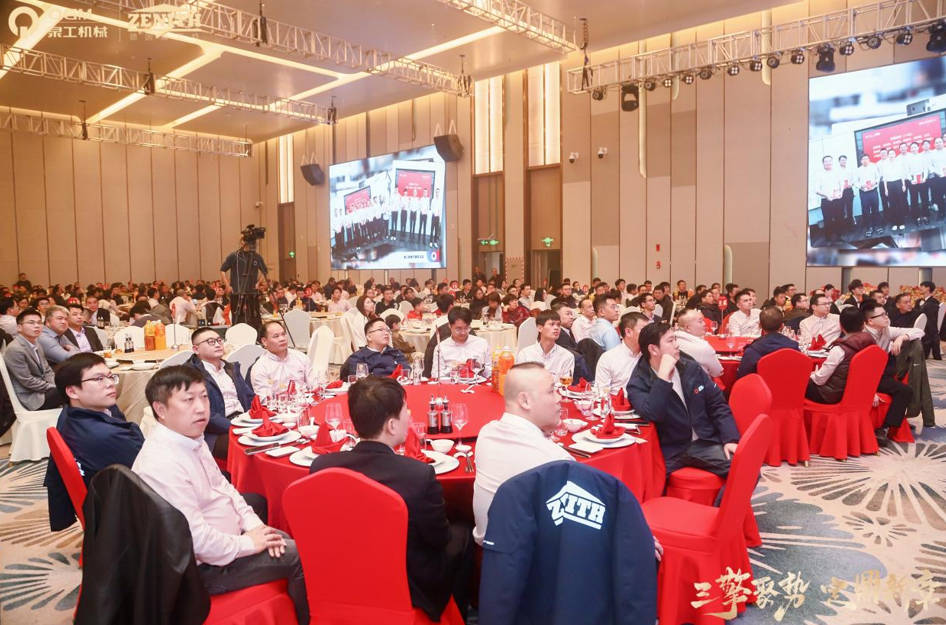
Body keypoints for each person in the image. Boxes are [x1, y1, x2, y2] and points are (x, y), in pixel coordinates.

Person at [133, 366, 308, 624]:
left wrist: (255, 527)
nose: (201, 408)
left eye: (203, 397)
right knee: (298, 555)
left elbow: (224, 489)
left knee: (274, 533)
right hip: (201, 569)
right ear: (160, 409)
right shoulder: (163, 463)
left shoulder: (188, 436)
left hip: (221, 539)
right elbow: (197, 542)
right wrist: (249, 544)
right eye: (188, 400)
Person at [309, 376, 472, 621]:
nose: (410, 416)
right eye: (406, 410)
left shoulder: (321, 467)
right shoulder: (418, 476)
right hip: (406, 586)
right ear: (392, 426)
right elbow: (439, 539)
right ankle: (454, 615)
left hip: (341, 574)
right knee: (462, 532)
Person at [472, 363, 573, 545]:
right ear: (525, 401)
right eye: (551, 391)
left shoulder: (486, 433)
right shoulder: (558, 461)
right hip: (530, 556)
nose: (559, 398)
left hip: (489, 549)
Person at [44, 353, 144, 531]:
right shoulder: (103, 436)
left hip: (106, 495)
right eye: (98, 379)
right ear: (72, 391)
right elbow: (147, 470)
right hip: (125, 513)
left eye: (110, 376)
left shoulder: (69, 413)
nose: (110, 383)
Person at [628, 322, 740, 478]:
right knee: (647, 484)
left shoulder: (690, 367)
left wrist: (731, 439)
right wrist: (663, 379)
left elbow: (717, 405)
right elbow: (653, 414)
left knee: (746, 465)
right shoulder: (638, 382)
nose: (676, 345)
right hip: (670, 449)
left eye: (675, 339)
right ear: (653, 349)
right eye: (670, 341)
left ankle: (719, 497)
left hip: (703, 441)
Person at [186, 327, 255, 459]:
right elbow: (203, 414)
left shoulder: (230, 368)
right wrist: (235, 426)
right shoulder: (190, 374)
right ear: (196, 349)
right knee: (251, 448)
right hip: (214, 433)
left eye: (219, 340)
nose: (218, 345)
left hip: (243, 421)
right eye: (211, 342)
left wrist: (257, 418)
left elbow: (249, 397)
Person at [861, 300, 917, 435]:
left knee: (905, 391)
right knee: (904, 390)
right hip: (864, 377)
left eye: (885, 313)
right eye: (882, 315)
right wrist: (869, 391)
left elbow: (919, 331)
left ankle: (885, 427)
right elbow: (857, 369)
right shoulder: (861, 336)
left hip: (881, 373)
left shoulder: (886, 330)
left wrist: (901, 337)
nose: (886, 317)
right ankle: (883, 428)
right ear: (870, 321)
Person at [806, 307, 876, 404]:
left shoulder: (840, 349)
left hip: (831, 395)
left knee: (794, 381)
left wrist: (811, 375)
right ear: (864, 324)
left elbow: (820, 380)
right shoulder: (872, 345)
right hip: (856, 392)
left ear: (840, 325)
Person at [3, 309, 62, 410]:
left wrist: (55, 384)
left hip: (42, 389)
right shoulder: (15, 349)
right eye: (31, 323)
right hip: (30, 396)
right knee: (68, 390)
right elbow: (27, 381)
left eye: (39, 323)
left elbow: (47, 370)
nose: (37, 326)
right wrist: (53, 387)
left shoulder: (36, 343)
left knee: (69, 385)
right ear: (19, 327)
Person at [250, 321, 316, 397]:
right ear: (264, 341)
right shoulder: (260, 368)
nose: (282, 339)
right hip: (279, 403)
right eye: (276, 336)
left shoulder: (300, 357)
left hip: (306, 401)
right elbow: (265, 400)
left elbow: (314, 385)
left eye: (283, 334)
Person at [735, 306, 800, 379]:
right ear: (782, 326)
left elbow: (743, 377)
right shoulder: (793, 347)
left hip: (761, 385)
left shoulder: (753, 350)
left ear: (760, 325)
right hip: (789, 385)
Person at [221, 235, 269, 330]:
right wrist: (227, 285)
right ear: (242, 242)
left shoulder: (256, 256)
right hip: (237, 292)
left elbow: (265, 271)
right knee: (238, 317)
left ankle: (257, 334)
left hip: (252, 292)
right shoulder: (234, 256)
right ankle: (237, 333)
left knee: (255, 317)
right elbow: (223, 270)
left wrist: (258, 283)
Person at [595, 312, 649, 393]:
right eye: (644, 330)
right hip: (618, 399)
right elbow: (601, 392)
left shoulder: (651, 355)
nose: (649, 334)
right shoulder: (608, 358)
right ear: (628, 332)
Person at [431, 307, 491, 378]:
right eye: (458, 329)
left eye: (466, 328)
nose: (463, 332)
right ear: (449, 326)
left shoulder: (482, 343)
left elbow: (491, 372)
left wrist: (481, 368)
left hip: (477, 383)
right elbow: (435, 375)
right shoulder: (441, 348)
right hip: (452, 384)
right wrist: (453, 370)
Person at [340, 318, 410, 379]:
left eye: (387, 330)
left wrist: (375, 372)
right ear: (369, 337)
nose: (386, 333)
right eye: (380, 329)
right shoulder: (358, 357)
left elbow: (406, 372)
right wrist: (392, 371)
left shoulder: (395, 353)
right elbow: (357, 381)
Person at [515, 310, 575, 380]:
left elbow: (565, 384)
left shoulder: (567, 356)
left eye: (558, 325)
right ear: (540, 328)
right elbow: (520, 381)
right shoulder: (525, 354)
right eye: (552, 324)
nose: (556, 328)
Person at [675, 309, 724, 378]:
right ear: (688, 328)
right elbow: (717, 373)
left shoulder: (672, 340)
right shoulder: (703, 347)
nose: (704, 324)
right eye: (700, 322)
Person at [915, 280, 941, 359]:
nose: (920, 288)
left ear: (928, 288)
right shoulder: (920, 301)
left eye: (922, 287)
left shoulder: (933, 303)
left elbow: (930, 320)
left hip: (928, 332)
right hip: (925, 329)